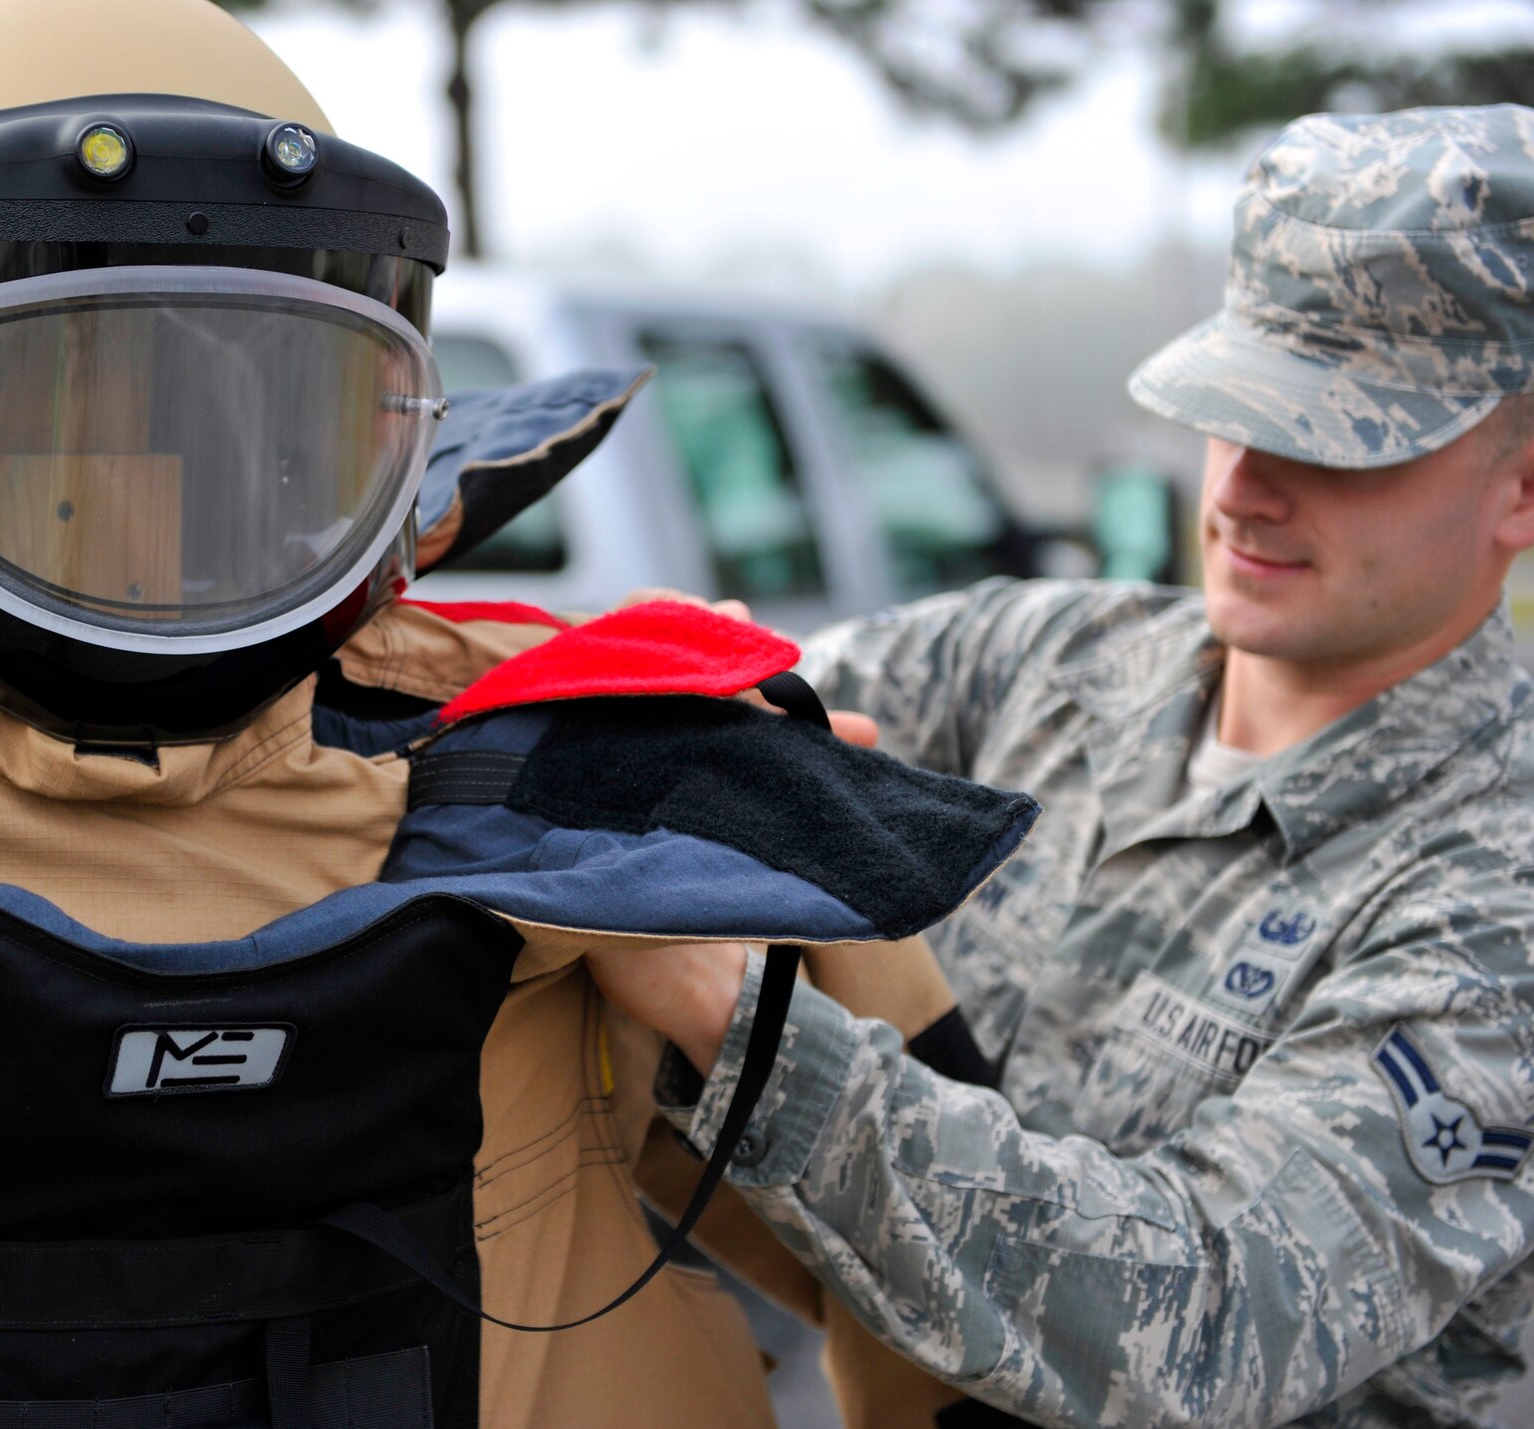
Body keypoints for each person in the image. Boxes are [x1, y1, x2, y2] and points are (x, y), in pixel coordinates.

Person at [0, 1, 1034, 1425]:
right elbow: (992, 1330)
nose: (151, 500)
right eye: (55, 411)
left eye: (259, 408)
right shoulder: (627, 789)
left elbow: (980, 1321)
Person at [591, 104, 1534, 1427]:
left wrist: (733, 1024)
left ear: (1523, 487)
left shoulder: (1498, 896)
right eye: (1232, 408)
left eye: (1337, 440)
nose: (1245, 486)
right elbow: (737, 696)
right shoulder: (1059, 657)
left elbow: (1209, 1315)